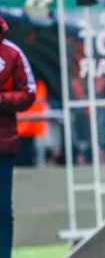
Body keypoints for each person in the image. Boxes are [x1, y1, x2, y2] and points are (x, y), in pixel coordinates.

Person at [0, 16, 36, 257]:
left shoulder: (12, 53)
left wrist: (2, 100)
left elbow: (28, 92)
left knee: (2, 210)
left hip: (3, 145)